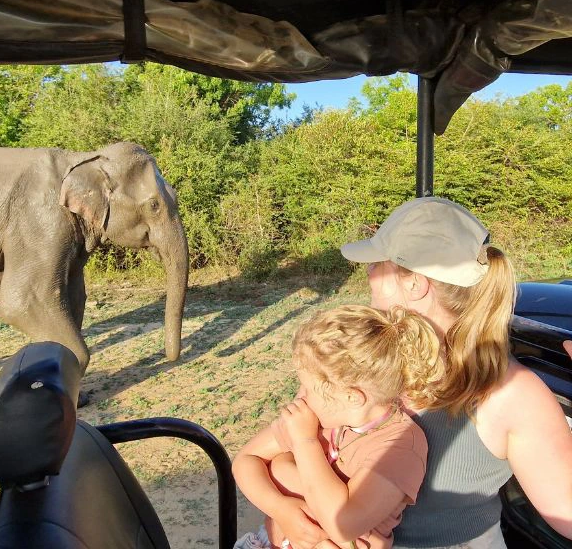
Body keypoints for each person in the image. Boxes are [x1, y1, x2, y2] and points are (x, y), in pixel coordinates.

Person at [265, 196, 572, 549]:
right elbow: (283, 450)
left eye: (378, 262)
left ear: (414, 283)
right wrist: (292, 513)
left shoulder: (510, 394)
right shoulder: (366, 358)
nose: (368, 271)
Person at [233, 304, 445, 549]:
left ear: (351, 397)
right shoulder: (318, 417)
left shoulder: (400, 447)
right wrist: (282, 510)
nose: (299, 396)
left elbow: (341, 522)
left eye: (308, 389)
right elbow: (246, 459)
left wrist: (303, 445)